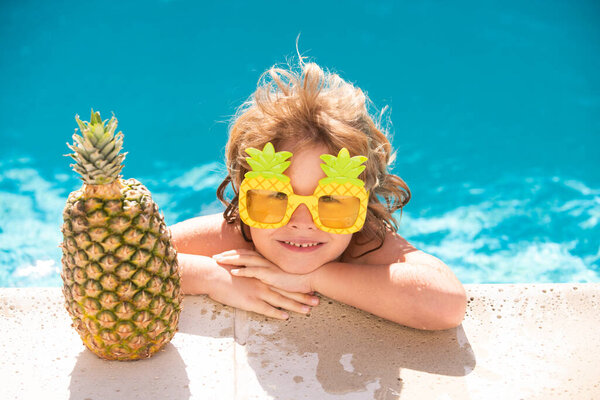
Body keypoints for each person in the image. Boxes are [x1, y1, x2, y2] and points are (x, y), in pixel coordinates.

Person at [170, 60, 466, 330]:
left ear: (361, 207)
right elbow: (125, 257)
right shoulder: (236, 238)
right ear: (244, 197)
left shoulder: (364, 243)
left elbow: (446, 305)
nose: (302, 221)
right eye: (275, 197)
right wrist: (212, 277)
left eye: (331, 200)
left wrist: (314, 278)